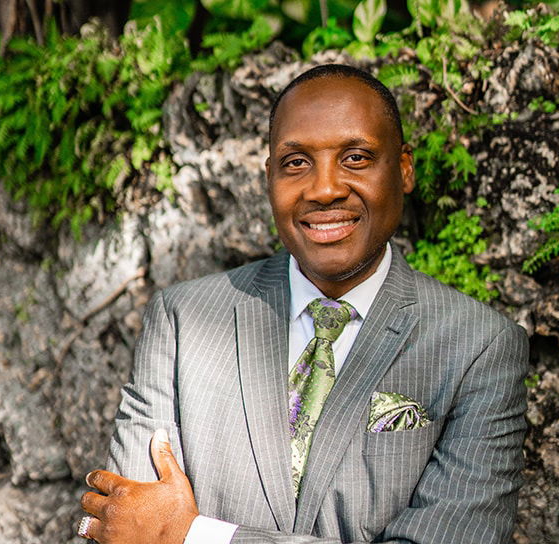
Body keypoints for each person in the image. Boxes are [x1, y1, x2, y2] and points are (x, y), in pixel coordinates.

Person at [78, 64, 529, 544]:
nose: (324, 188)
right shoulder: (184, 320)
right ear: (269, 176)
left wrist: (196, 535)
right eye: (296, 163)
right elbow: (127, 530)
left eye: (356, 157)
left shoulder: (479, 349)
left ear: (403, 169)